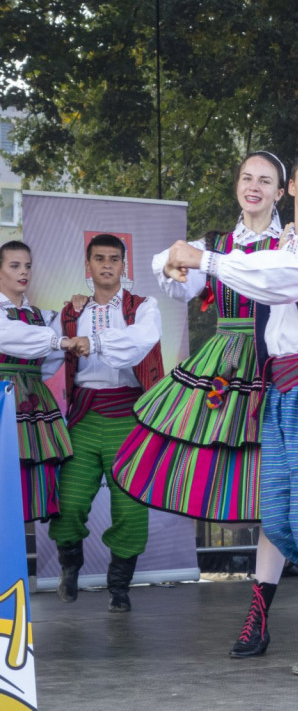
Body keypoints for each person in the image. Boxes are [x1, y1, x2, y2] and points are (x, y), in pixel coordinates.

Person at [165, 144, 298, 675]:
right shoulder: (288, 242)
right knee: (282, 514)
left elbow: (282, 277)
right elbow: (266, 268)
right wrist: (184, 261)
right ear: (296, 188)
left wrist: (206, 259)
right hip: (284, 392)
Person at [112, 152, 290, 654]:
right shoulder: (215, 245)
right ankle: (260, 610)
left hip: (279, 366)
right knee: (240, 476)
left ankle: (261, 610)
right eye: (246, 178)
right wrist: (174, 260)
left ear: (281, 192)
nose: (253, 187)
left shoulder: (294, 243)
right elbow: (174, 275)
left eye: (265, 181)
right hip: (227, 364)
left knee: (277, 491)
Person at [48, 234, 163, 613]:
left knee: (131, 508)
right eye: (100, 258)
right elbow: (48, 350)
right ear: (89, 266)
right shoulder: (69, 313)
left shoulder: (144, 308)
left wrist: (93, 341)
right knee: (68, 502)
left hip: (128, 417)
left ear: (124, 266)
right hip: (82, 415)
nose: (108, 265)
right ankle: (71, 565)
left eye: (115, 258)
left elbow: (139, 341)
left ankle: (119, 587)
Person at [0, 240, 73, 523]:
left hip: (32, 398)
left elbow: (53, 359)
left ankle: (14, 560)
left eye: (28, 266)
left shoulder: (44, 317)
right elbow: (11, 335)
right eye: (15, 266)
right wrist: (58, 340)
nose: (24, 272)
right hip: (2, 395)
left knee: (29, 478)